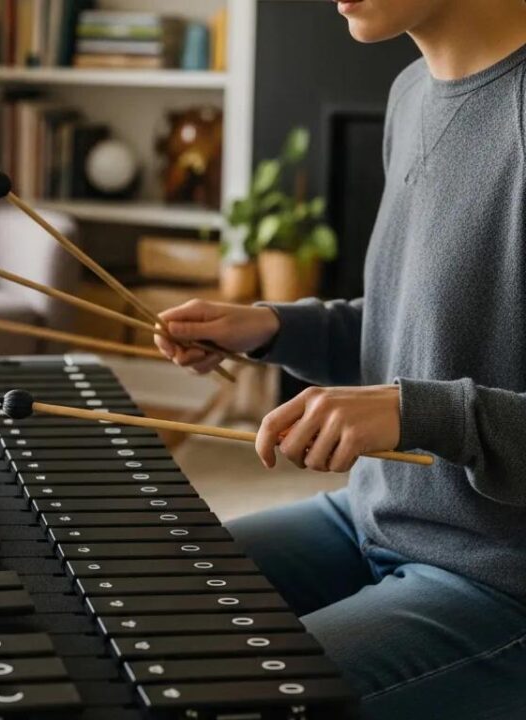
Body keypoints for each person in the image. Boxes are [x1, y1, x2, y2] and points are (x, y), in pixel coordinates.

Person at [153, 1, 526, 718]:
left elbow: (421, 393)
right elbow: (415, 329)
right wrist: (268, 327)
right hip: (370, 514)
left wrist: (417, 411)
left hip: (498, 576)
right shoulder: (410, 92)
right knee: (131, 593)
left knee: (228, 697)